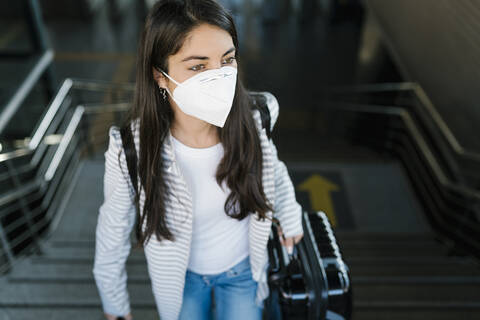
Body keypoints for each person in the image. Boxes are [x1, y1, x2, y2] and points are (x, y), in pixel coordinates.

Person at [92, 1, 304, 320]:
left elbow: (273, 169)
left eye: (227, 59)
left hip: (243, 271)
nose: (219, 77)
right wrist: (115, 305)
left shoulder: (255, 118)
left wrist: (289, 213)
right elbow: (112, 231)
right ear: (160, 76)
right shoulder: (131, 149)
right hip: (182, 281)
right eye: (197, 66)